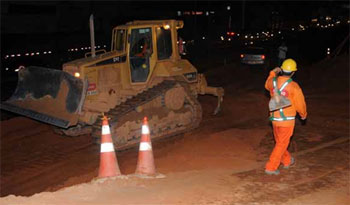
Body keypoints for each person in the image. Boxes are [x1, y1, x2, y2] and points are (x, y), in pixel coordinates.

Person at [264, 58, 307, 175]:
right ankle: (271, 167)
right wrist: (303, 115)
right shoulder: (294, 86)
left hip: (275, 119)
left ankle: (287, 160)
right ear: (293, 72)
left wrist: (273, 73)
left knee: (280, 142)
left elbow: (266, 84)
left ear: (282, 70)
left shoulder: (273, 82)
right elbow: (300, 103)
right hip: (286, 121)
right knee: (282, 143)